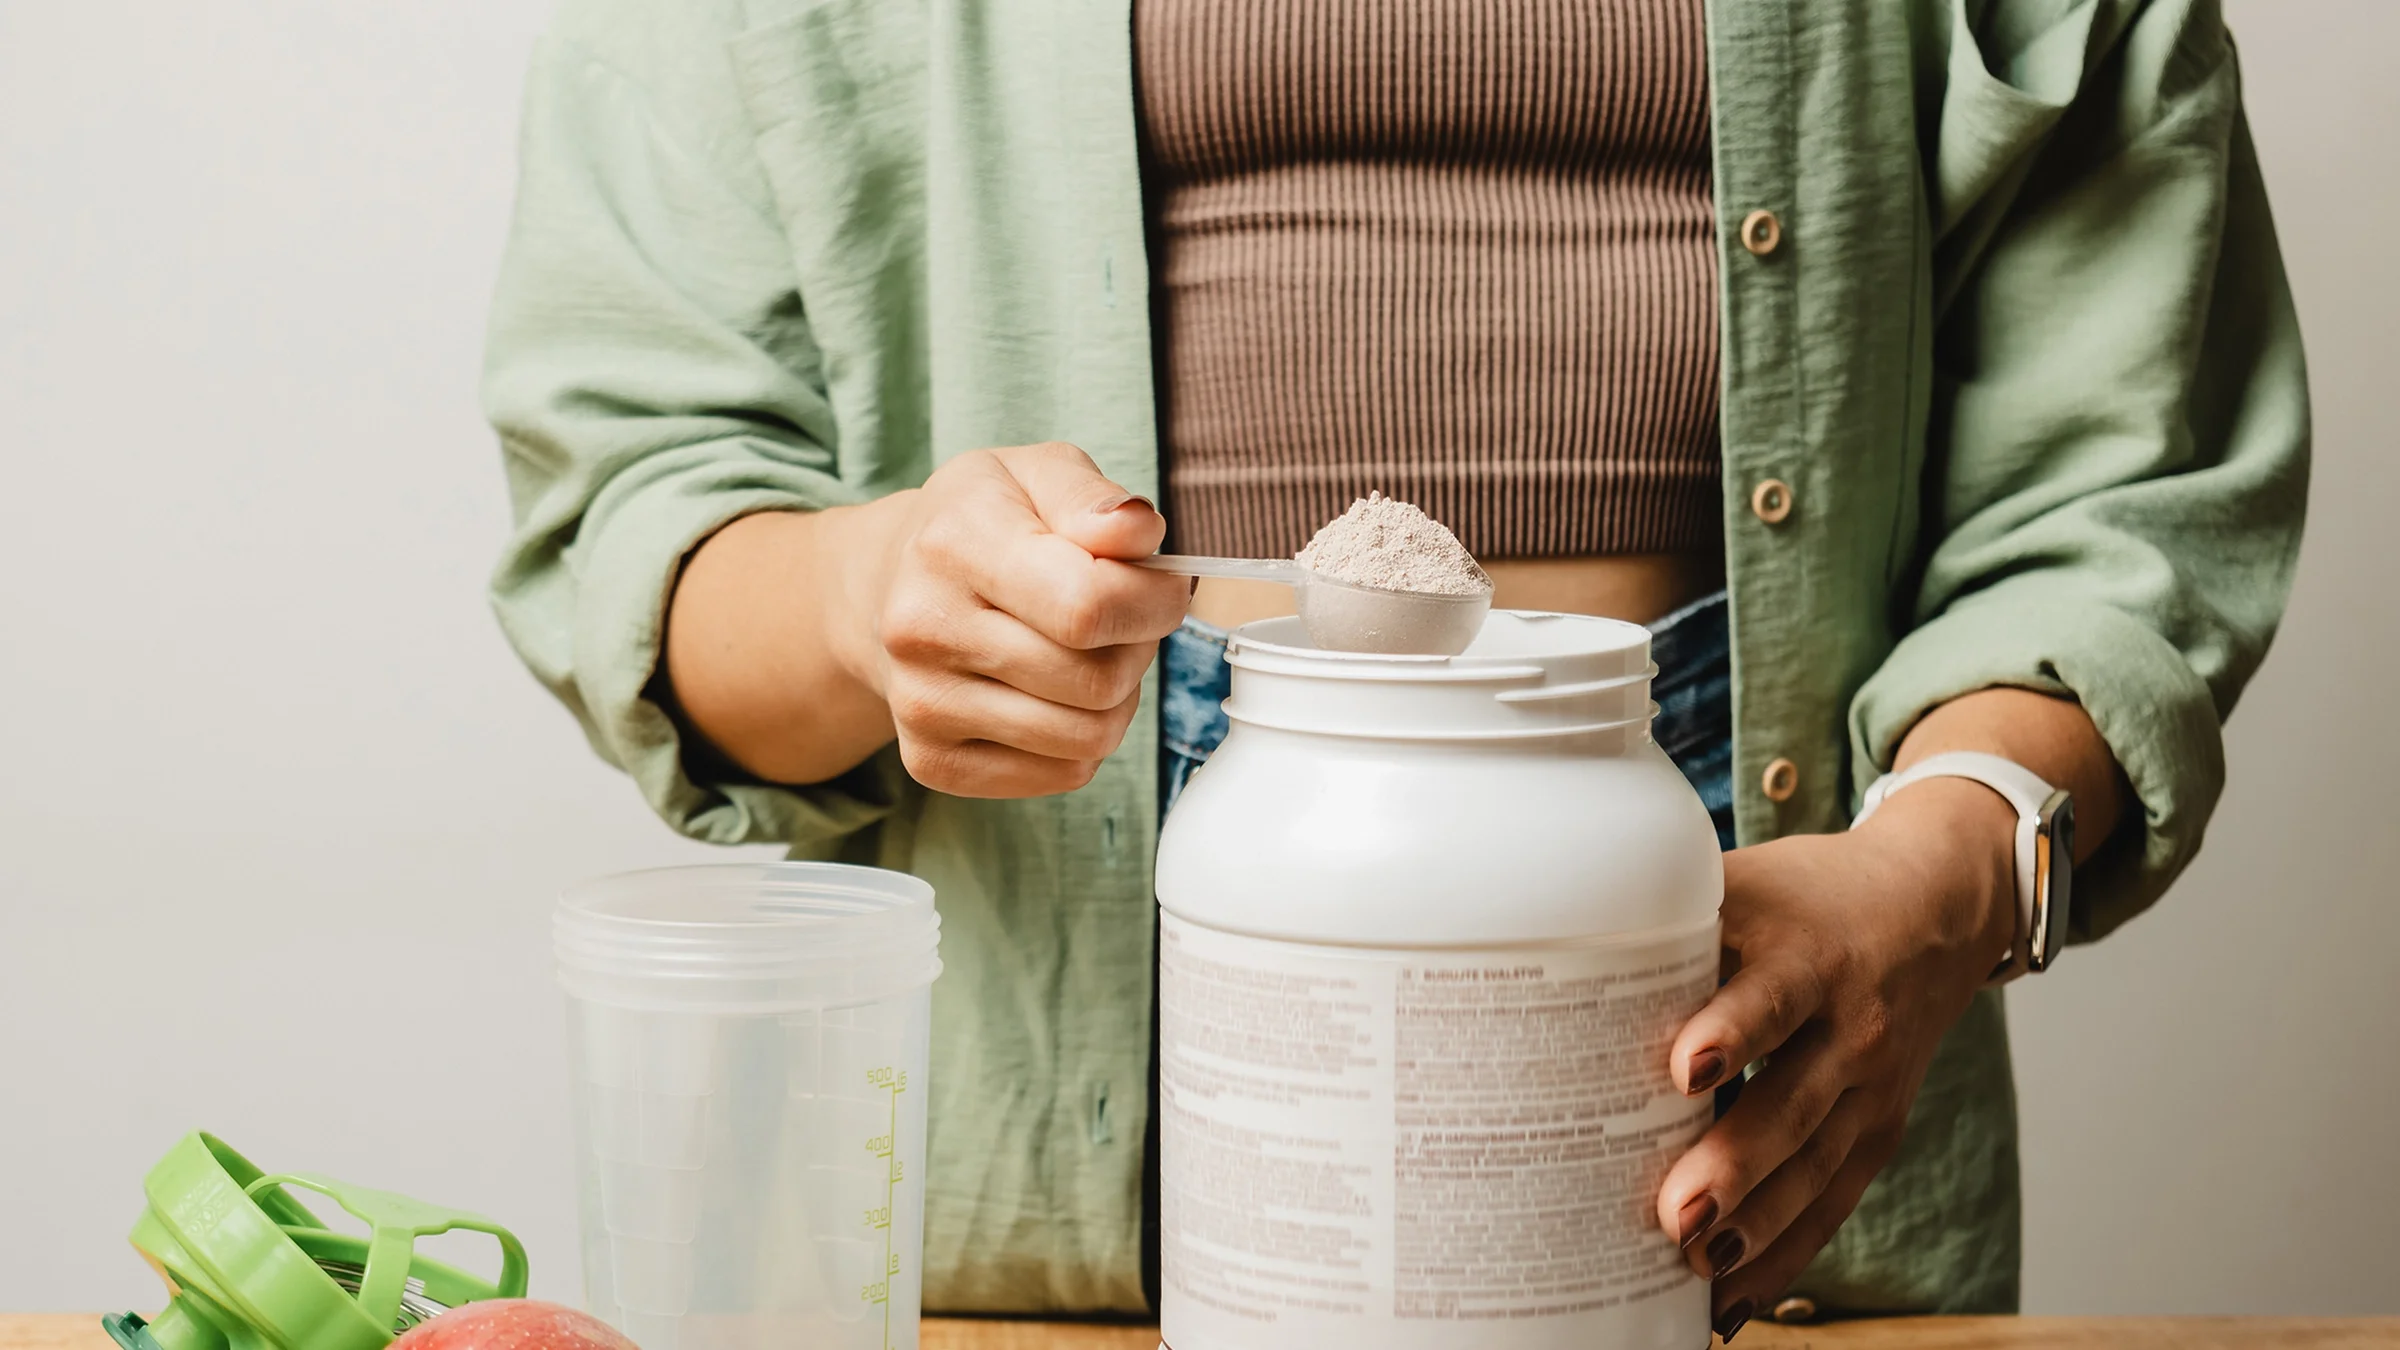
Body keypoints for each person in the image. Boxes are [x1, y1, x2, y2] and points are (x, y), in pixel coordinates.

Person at [484, 0, 2307, 1336]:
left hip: (1760, 1076)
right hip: (1042, 1169)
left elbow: (2121, 499)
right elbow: (642, 500)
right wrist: (873, 600)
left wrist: (1938, 867)